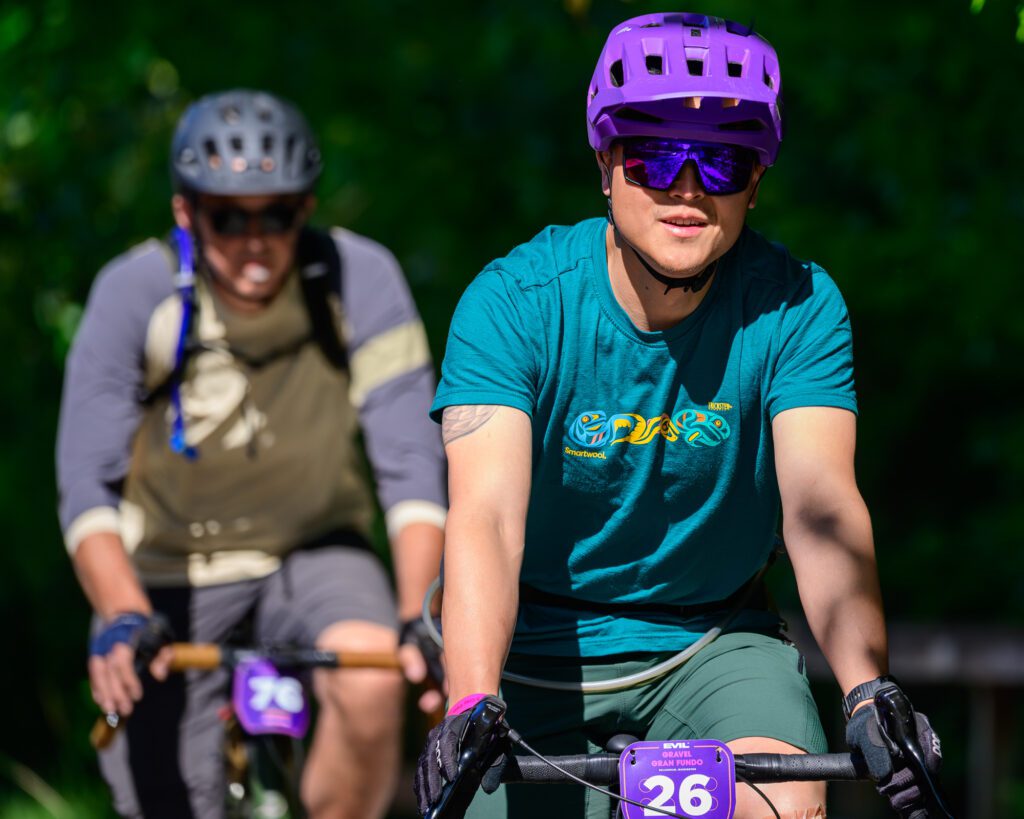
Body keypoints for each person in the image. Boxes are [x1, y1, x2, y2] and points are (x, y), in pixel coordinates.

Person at [415, 12, 943, 819]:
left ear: (756, 182)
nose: (689, 186)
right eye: (656, 154)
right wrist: (471, 698)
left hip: (713, 639)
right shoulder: (512, 303)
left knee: (785, 802)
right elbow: (484, 518)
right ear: (606, 162)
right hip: (527, 652)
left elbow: (822, 507)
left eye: (723, 160)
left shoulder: (797, 306)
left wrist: (868, 687)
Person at [56, 89, 446, 819]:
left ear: (307, 208)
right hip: (168, 567)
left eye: (280, 214)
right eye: (228, 217)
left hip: (315, 548)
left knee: (371, 682)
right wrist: (121, 615)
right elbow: (86, 484)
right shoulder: (133, 293)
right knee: (168, 795)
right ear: (185, 213)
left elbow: (411, 467)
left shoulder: (359, 278)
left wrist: (416, 619)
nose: (255, 240)